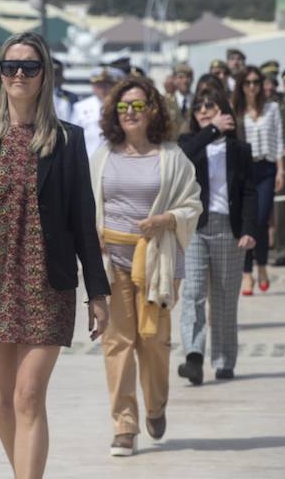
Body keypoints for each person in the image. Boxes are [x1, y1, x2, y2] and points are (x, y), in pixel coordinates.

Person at [0, 32, 110, 479]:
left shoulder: (67, 141)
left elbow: (83, 222)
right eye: (10, 66)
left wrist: (98, 292)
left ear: (44, 75)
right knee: (3, 402)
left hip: (48, 282)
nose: (19, 75)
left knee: (29, 396)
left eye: (29, 67)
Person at [90, 77, 202, 457]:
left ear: (153, 109)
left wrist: (167, 219)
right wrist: (93, 236)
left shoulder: (172, 156)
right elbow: (87, 203)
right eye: (123, 107)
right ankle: (124, 425)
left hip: (158, 262)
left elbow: (192, 204)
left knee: (153, 342)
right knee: (117, 342)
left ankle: (156, 405)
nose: (131, 113)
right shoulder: (104, 156)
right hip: (112, 263)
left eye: (138, 106)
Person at [177, 87, 256, 385]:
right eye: (198, 107)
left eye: (210, 106)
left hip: (229, 228)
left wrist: (249, 230)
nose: (203, 110)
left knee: (223, 298)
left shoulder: (240, 150)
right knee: (193, 293)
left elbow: (249, 192)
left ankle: (224, 360)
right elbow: (183, 157)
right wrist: (211, 130)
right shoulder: (190, 143)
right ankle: (194, 357)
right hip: (197, 225)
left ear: (224, 109)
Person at [232, 66, 284, 295]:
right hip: (245, 169)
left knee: (261, 219)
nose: (252, 86)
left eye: (255, 82)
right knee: (248, 221)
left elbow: (279, 139)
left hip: (266, 167)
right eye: (247, 82)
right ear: (242, 86)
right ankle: (247, 273)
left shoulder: (272, 108)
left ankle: (261, 266)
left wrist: (281, 170)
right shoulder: (238, 110)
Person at [71, 66, 121, 157]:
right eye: (99, 84)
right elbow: (73, 139)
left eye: (108, 84)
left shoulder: (122, 107)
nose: (104, 88)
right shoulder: (80, 107)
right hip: (87, 160)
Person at [166, 63, 194, 136]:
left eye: (188, 77)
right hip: (172, 144)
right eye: (181, 77)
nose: (185, 81)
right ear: (174, 79)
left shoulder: (197, 100)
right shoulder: (166, 101)